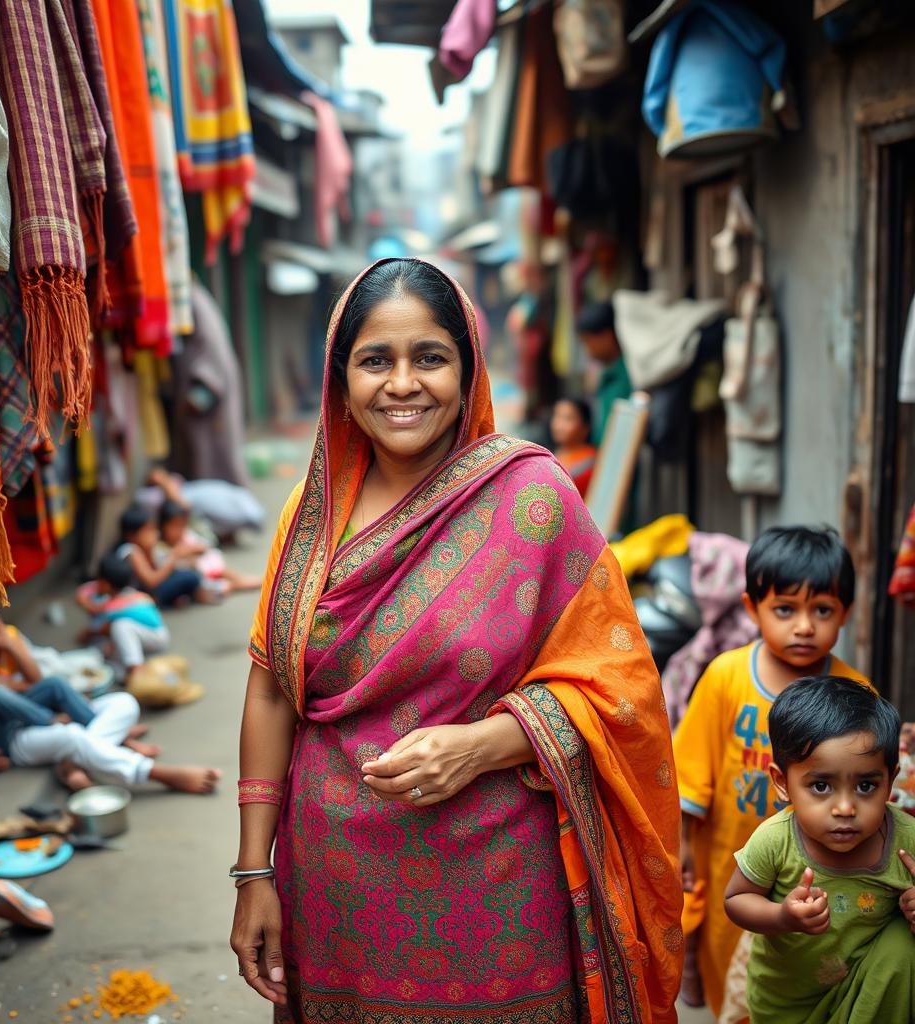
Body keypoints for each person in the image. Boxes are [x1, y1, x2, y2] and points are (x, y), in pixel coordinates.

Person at [228, 258, 683, 1023]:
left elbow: (621, 690)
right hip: (334, 895)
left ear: (468, 372)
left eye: (429, 358)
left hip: (501, 889)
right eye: (376, 360)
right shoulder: (310, 514)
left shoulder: (534, 503)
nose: (402, 383)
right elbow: (274, 688)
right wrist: (252, 873)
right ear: (342, 380)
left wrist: (481, 746)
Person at [674, 526, 868, 1015]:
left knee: (803, 978)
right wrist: (680, 848)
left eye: (822, 610)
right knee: (730, 977)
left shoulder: (856, 692)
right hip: (731, 868)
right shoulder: (725, 678)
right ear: (751, 607)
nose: (804, 626)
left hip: (817, 871)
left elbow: (871, 788)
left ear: (845, 611)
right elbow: (691, 775)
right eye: (786, 609)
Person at [724, 676, 915, 1022]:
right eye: (822, 785)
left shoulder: (908, 839)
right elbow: (736, 900)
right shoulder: (775, 840)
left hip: (870, 994)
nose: (845, 808)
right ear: (782, 783)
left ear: (890, 780)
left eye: (866, 785)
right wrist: (781, 917)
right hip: (787, 1003)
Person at [0, 609, 219, 793]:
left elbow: (0, 702)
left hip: (12, 725)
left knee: (123, 702)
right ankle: (155, 772)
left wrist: (35, 705)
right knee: (68, 733)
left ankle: (74, 763)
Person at [0, 596, 156, 758]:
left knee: (56, 684)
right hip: (6, 723)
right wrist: (22, 685)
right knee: (18, 694)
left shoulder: (8, 638)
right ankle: (114, 739)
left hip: (26, 704)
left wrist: (11, 647)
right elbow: (9, 692)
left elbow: (35, 679)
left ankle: (118, 741)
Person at [75, 555, 171, 686]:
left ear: (106, 584)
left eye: (99, 581)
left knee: (119, 627)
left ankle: (136, 670)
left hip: (156, 637)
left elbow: (100, 627)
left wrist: (87, 633)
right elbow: (85, 591)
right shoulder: (132, 594)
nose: (96, 584)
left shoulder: (112, 607)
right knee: (105, 650)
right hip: (143, 634)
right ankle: (127, 672)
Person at [156, 500, 261, 595]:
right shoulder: (161, 548)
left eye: (181, 526)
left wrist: (191, 551)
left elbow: (204, 547)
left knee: (224, 573)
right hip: (196, 581)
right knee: (226, 586)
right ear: (163, 526)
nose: (179, 531)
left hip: (206, 571)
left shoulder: (185, 536)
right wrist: (176, 555)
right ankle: (249, 583)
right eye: (174, 526)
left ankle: (246, 580)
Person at [115, 506, 213, 607]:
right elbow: (151, 581)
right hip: (137, 595)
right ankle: (157, 601)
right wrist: (173, 557)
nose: (154, 534)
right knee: (189, 577)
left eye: (153, 529)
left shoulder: (147, 549)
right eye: (148, 530)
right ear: (131, 535)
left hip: (149, 590)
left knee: (188, 573)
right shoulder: (131, 551)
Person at [138, 465, 265, 540]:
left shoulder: (172, 483)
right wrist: (164, 482)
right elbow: (184, 505)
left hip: (204, 495)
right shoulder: (149, 497)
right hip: (197, 500)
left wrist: (164, 482)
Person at [576, 300, 631, 446]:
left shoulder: (626, 377)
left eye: (589, 341)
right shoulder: (605, 373)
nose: (587, 349)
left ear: (607, 336)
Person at [550, 396, 596, 494]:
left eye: (568, 419)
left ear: (585, 427)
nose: (559, 425)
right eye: (557, 416)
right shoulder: (554, 454)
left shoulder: (589, 461)